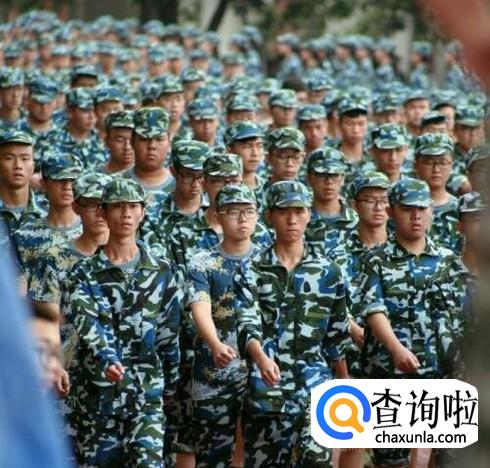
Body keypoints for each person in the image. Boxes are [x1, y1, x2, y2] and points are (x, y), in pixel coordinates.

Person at [68, 177, 182, 466]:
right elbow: (87, 322)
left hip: (146, 397)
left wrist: (170, 388)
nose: (126, 214)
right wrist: (107, 357)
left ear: (143, 212)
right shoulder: (83, 273)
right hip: (97, 398)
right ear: (103, 212)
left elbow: (169, 335)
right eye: (118, 206)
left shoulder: (161, 271)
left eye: (133, 206)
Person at [235, 180, 350, 467]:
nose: (292, 219)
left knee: (317, 459)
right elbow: (246, 323)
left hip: (315, 386)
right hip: (266, 390)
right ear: (270, 216)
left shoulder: (328, 272)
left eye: (299, 211)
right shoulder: (251, 270)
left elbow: (336, 335)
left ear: (309, 214)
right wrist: (261, 358)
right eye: (284, 211)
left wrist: (344, 383)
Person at [358, 177, 455, 468]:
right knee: (392, 458)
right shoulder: (375, 260)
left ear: (431, 211)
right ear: (391, 212)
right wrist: (395, 348)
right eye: (407, 209)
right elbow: (374, 310)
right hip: (389, 369)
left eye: (422, 209)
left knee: (446, 453)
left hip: (439, 369)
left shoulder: (448, 260)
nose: (416, 216)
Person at [188, 184, 260, 467]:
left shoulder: (269, 261)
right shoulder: (203, 262)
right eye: (233, 212)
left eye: (248, 211)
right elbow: (200, 306)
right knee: (212, 457)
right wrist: (215, 344)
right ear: (218, 217)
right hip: (215, 370)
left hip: (262, 371)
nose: (242, 218)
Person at [14, 153, 83, 284]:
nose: (67, 186)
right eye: (59, 180)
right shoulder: (25, 236)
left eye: (73, 180)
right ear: (44, 183)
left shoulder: (92, 231)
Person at [414, 132, 461, 252]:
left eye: (442, 162)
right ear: (416, 165)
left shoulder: (461, 210)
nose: (436, 169)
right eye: (429, 162)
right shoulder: (405, 209)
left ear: (452, 165)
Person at [305, 147, 358, 253]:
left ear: (343, 178)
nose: (329, 181)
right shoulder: (299, 220)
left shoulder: (357, 220)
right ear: (309, 178)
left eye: (335, 175)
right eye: (322, 175)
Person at [123, 106, 175, 210]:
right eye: (144, 139)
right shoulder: (115, 184)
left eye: (159, 139)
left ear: (169, 142)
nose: (152, 146)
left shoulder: (182, 187)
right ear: (132, 142)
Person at [0, 130, 46, 241]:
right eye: (9, 158)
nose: (18, 165)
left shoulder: (48, 212)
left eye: (24, 158)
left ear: (32, 166)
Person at [100, 110, 135, 174]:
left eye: (132, 140)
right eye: (120, 140)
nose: (127, 147)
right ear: (106, 141)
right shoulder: (91, 178)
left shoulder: (148, 177)